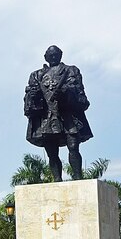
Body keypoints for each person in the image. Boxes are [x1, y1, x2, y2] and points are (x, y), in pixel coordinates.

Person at [23, 45, 93, 182]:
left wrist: (66, 92)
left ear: (61, 55)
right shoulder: (36, 75)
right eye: (50, 55)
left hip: (68, 115)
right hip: (47, 117)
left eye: (56, 54)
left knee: (73, 146)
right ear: (45, 57)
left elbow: (80, 93)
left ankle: (78, 177)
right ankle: (57, 179)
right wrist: (34, 95)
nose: (53, 57)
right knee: (52, 153)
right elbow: (29, 98)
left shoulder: (71, 70)